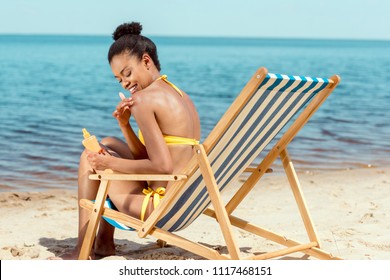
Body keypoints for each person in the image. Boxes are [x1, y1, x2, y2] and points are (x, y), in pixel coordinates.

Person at [59, 22, 200, 259]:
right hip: (183, 200)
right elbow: (154, 158)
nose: (125, 83)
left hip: (158, 207)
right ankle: (103, 242)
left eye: (127, 73)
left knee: (90, 158)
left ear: (146, 61)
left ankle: (81, 251)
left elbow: (160, 167)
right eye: (119, 80)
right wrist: (125, 126)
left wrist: (109, 165)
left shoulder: (144, 100)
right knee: (109, 142)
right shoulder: (178, 93)